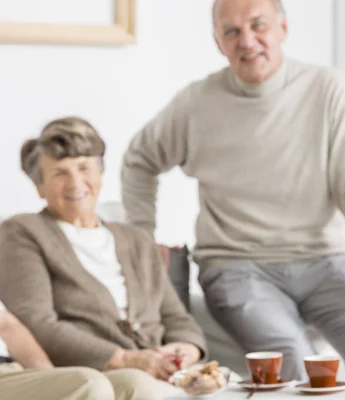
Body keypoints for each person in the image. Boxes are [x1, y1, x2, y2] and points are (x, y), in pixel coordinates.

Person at [120, 0, 345, 398]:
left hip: (326, 262)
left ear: (283, 28)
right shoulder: (196, 104)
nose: (247, 41)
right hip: (237, 267)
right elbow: (139, 159)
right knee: (294, 363)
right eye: (231, 31)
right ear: (218, 42)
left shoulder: (327, 89)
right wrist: (141, 237)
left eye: (258, 25)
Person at [0, 117, 208, 400]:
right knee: (139, 386)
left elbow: (175, 315)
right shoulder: (24, 233)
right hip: (89, 366)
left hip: (155, 364)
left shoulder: (137, 239)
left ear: (100, 173)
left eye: (84, 167)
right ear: (40, 187)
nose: (75, 182)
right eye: (60, 173)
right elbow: (36, 321)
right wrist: (125, 358)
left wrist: (186, 349)